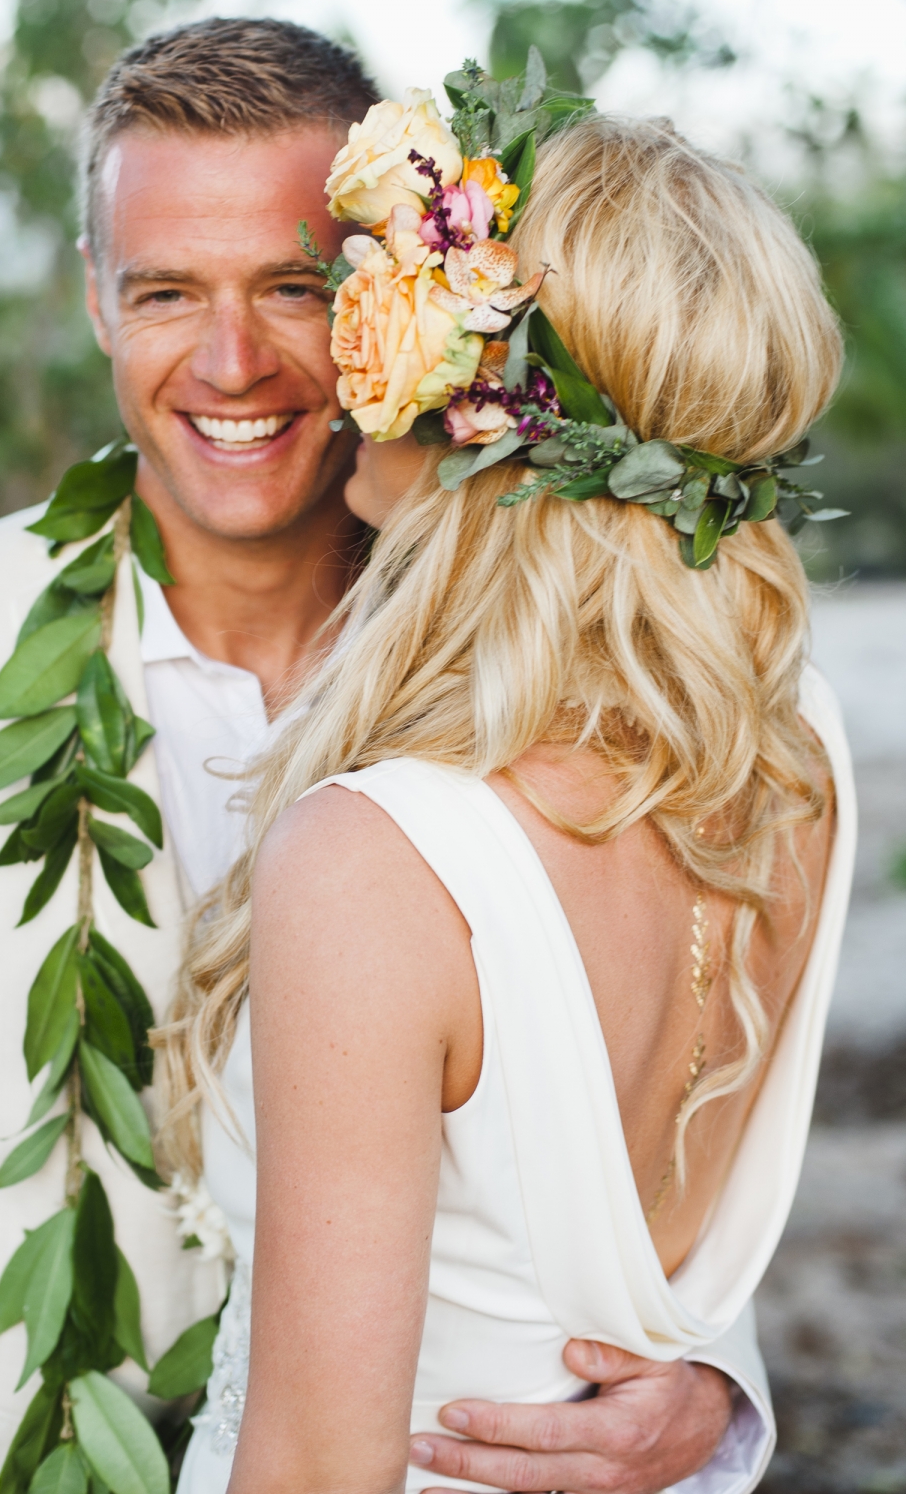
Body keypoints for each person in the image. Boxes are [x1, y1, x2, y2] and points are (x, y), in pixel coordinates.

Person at [0, 20, 769, 1494]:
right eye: (163, 293)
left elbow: (675, 1073)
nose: (229, 362)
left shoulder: (524, 672)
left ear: (408, 306)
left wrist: (713, 1378)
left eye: (293, 288)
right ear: (94, 304)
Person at [162, 105, 855, 1494]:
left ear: (492, 413)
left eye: (399, 305)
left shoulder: (380, 864)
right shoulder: (795, 758)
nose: (353, 350)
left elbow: (311, 1464)